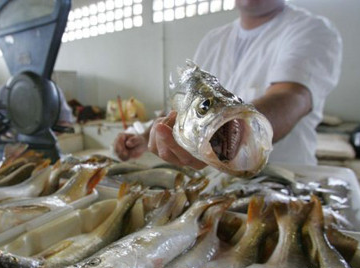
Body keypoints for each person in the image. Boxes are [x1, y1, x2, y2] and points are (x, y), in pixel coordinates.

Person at [113, 0, 342, 168]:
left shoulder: (311, 29)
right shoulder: (214, 39)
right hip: (213, 186)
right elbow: (186, 107)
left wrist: (239, 131)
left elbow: (293, 97)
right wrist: (146, 135)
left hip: (285, 180)